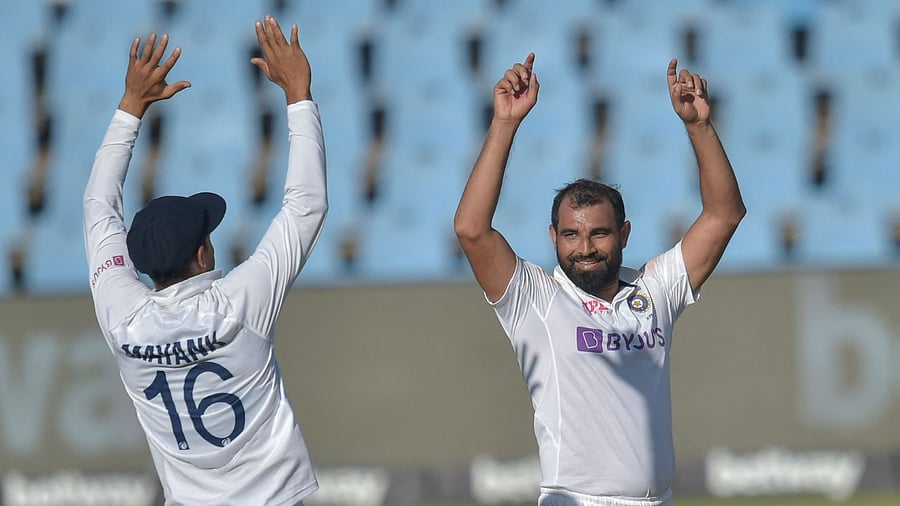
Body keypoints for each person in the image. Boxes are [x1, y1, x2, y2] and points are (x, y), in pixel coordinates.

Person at [454, 53, 745, 506]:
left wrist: (699, 127)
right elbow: (472, 230)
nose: (584, 248)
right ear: (553, 237)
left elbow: (724, 214)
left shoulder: (654, 290)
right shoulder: (537, 299)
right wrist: (504, 124)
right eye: (570, 234)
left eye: (599, 233)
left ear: (624, 234)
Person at [82, 15, 326, 505]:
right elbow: (306, 206)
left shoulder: (122, 318)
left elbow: (98, 206)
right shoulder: (238, 304)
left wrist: (131, 105)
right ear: (202, 252)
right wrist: (298, 93)